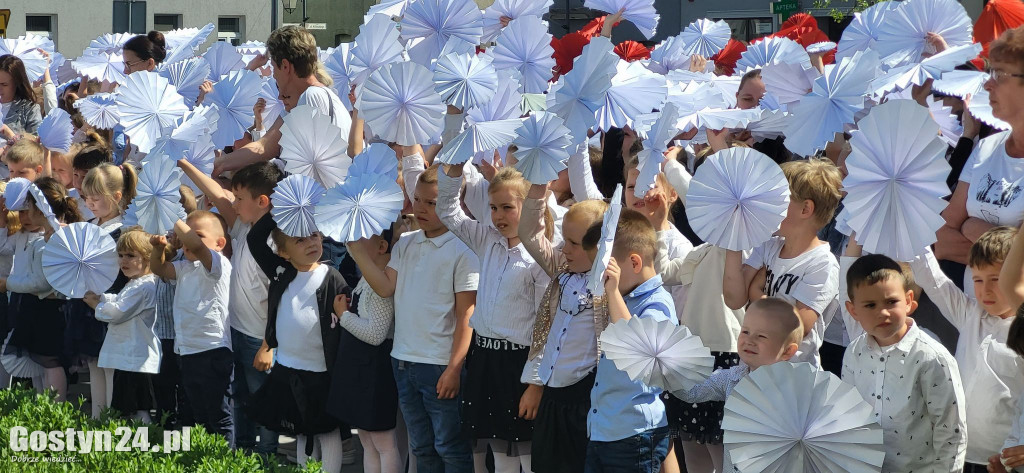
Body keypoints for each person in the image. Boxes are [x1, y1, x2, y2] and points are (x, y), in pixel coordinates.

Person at [347, 163, 479, 473]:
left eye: (431, 202)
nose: (420, 208)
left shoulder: (464, 250)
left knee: (449, 447)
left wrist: (454, 369)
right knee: (421, 447)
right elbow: (385, 288)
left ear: (451, 202)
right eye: (417, 199)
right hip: (402, 361)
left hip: (438, 365)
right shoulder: (405, 243)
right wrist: (357, 252)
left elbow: (466, 316)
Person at [435, 162, 548, 473]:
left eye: (507, 207)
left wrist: (536, 383)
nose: (498, 216)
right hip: (484, 357)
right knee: (499, 452)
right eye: (494, 207)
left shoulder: (540, 256)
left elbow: (545, 324)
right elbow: (447, 211)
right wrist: (455, 169)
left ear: (530, 207)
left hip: (519, 364)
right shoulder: (486, 240)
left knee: (527, 452)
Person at [177, 159, 284, 457]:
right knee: (241, 399)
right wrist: (186, 165)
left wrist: (269, 343)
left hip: (260, 338)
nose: (231, 204)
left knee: (264, 400)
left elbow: (281, 294)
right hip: (234, 331)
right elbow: (218, 193)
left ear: (262, 201)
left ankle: (267, 457)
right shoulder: (241, 229)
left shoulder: (276, 240)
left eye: (239, 199)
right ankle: (244, 454)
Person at [902, 227, 1024, 473]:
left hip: (1002, 462)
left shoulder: (1022, 334)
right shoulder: (970, 315)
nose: (985, 290)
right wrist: (908, 218)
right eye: (978, 279)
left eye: (997, 279)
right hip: (955, 453)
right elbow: (930, 276)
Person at [656, 154, 744, 473]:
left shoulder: (737, 244)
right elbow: (665, 272)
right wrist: (660, 222)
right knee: (693, 450)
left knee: (720, 453)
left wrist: (669, 165)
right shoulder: (702, 249)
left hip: (726, 356)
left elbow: (701, 200)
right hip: (694, 355)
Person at [841, 252, 968, 472]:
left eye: (891, 302)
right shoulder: (854, 353)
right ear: (853, 310)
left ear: (909, 301)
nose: (882, 312)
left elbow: (950, 430)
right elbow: (849, 414)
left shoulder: (931, 357)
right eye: (870, 305)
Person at [244, 209, 349, 471]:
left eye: (314, 235)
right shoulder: (281, 271)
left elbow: (343, 317)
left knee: (326, 431)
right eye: (300, 240)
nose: (311, 243)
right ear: (284, 252)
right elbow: (255, 239)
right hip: (290, 367)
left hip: (321, 371)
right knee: (300, 428)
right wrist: (280, 209)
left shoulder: (331, 277)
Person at [517, 181, 609, 473]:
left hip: (585, 394)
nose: (564, 248)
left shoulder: (610, 287)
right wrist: (537, 190)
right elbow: (529, 234)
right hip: (552, 393)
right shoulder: (562, 269)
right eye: (564, 240)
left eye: (573, 243)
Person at [722, 158, 842, 368]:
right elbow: (733, 300)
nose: (765, 208)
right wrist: (734, 241)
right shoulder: (768, 246)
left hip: (793, 378)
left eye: (775, 201)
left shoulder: (822, 264)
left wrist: (757, 296)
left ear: (805, 209)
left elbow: (797, 327)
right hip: (752, 368)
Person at [586, 210, 676, 473]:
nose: (600, 280)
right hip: (607, 429)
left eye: (603, 271)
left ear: (634, 263)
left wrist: (612, 292)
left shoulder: (658, 302)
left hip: (635, 433)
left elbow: (639, 348)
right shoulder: (626, 299)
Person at [668, 297, 802, 470]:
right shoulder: (732, 377)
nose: (750, 340)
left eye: (761, 336)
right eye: (745, 331)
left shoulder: (795, 392)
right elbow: (692, 392)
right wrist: (667, 370)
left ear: (788, 351)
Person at [937, 27, 1024, 288]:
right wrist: (1002, 246)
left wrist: (971, 226)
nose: (987, 84)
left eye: (999, 74)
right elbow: (941, 238)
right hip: (972, 315)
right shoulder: (986, 147)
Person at [213, 25, 351, 176]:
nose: (273, 75)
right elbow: (263, 147)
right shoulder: (301, 102)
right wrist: (219, 164)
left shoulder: (312, 96)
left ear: (285, 66)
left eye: (273, 67)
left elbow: (310, 171)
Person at [149, 210, 234, 447]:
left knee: (219, 415)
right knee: (199, 414)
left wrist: (170, 214)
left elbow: (196, 247)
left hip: (213, 350)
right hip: (186, 351)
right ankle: (204, 459)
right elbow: (158, 268)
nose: (186, 241)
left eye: (196, 234)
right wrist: (158, 248)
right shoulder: (184, 267)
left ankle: (226, 461)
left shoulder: (217, 264)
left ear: (219, 243)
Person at [327, 228, 402, 473]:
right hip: (361, 367)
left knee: (383, 443)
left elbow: (375, 334)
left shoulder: (380, 279)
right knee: (367, 441)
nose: (352, 243)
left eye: (361, 239)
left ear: (381, 247)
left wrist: (344, 316)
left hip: (375, 372)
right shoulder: (368, 277)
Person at [5, 178, 83, 401]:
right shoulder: (47, 239)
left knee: (51, 362)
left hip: (52, 309)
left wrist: (7, 283)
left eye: (29, 208)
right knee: (43, 361)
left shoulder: (54, 240)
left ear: (40, 210)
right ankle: (45, 405)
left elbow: (41, 282)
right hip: (43, 308)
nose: (26, 214)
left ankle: (55, 408)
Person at [70, 162, 137, 418]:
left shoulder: (124, 229)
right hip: (89, 304)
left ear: (117, 197)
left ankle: (109, 420)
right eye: (86, 198)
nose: (89, 204)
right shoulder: (94, 225)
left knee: (110, 366)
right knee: (94, 363)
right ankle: (97, 419)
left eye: (96, 199)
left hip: (111, 304)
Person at [84, 229, 161, 422]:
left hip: (135, 357)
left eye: (130, 256)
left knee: (137, 406)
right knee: (128, 404)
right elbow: (120, 299)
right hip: (128, 357)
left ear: (147, 257)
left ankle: (144, 441)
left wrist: (97, 305)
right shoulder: (135, 284)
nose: (123, 261)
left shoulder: (144, 286)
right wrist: (102, 297)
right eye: (120, 255)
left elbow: (117, 312)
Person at [0, 55, 42, 138]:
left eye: (4, 85)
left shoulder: (29, 109)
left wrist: (10, 135)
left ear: (17, 83)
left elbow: (36, 144)